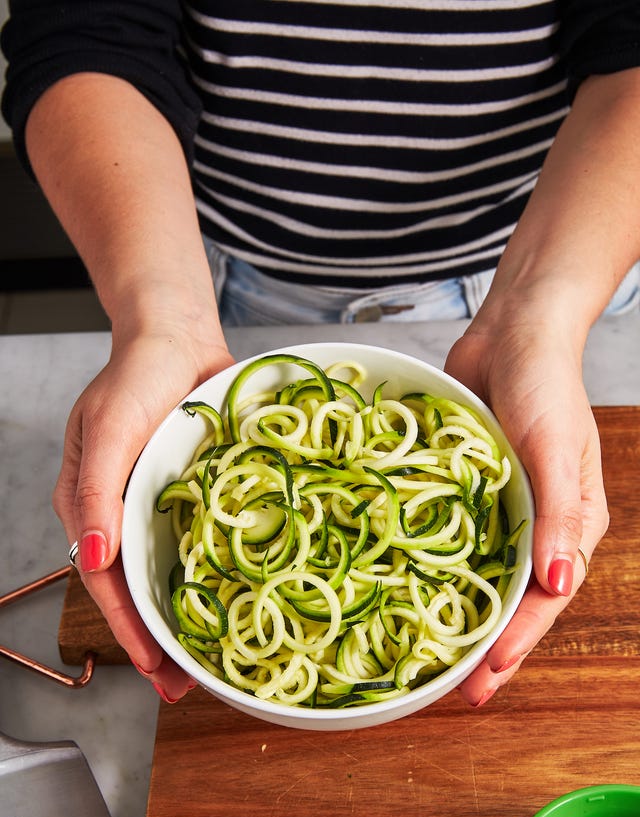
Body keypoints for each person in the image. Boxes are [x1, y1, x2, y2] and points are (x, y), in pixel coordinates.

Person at [2, 1, 638, 707]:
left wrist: (537, 320)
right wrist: (163, 318)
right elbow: (84, 30)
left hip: (552, 254)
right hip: (196, 258)